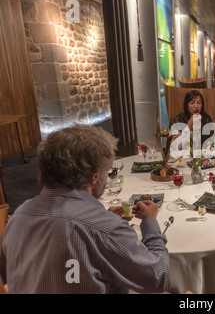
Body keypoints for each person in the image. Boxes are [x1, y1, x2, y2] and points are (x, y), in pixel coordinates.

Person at [0, 125, 170, 293]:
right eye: (107, 170)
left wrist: (102, 220)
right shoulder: (105, 229)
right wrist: (150, 223)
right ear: (95, 176)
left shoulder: (18, 216)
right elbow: (159, 277)